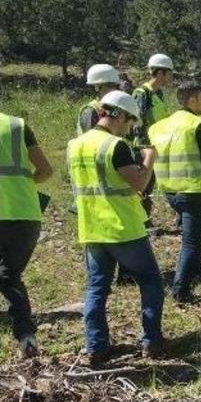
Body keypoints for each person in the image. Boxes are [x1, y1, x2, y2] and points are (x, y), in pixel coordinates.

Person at [67, 91, 165, 366]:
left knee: (97, 287)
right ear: (120, 115)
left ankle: (96, 347)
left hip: (91, 227)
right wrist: (148, 158)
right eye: (130, 121)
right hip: (122, 228)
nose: (130, 127)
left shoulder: (75, 144)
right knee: (151, 281)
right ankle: (152, 341)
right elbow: (139, 183)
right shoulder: (115, 146)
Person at [148, 80, 201, 303]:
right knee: (191, 242)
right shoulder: (198, 124)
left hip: (170, 191)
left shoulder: (157, 127)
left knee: (192, 237)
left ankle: (195, 271)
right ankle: (181, 290)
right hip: (195, 191)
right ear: (192, 100)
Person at [0, 109, 52, 358]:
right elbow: (45, 170)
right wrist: (20, 186)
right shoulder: (17, 125)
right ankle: (26, 337)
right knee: (10, 276)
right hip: (25, 214)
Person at [132, 53, 175, 231]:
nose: (171, 77)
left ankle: (145, 220)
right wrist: (145, 149)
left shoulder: (158, 94)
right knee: (143, 184)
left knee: (149, 185)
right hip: (144, 148)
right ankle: (140, 222)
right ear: (160, 73)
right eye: (169, 73)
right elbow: (137, 123)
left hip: (156, 146)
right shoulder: (142, 94)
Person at [78, 64, 121, 135]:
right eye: (110, 85)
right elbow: (90, 139)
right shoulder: (91, 111)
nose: (115, 89)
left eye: (116, 86)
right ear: (97, 87)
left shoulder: (114, 107)